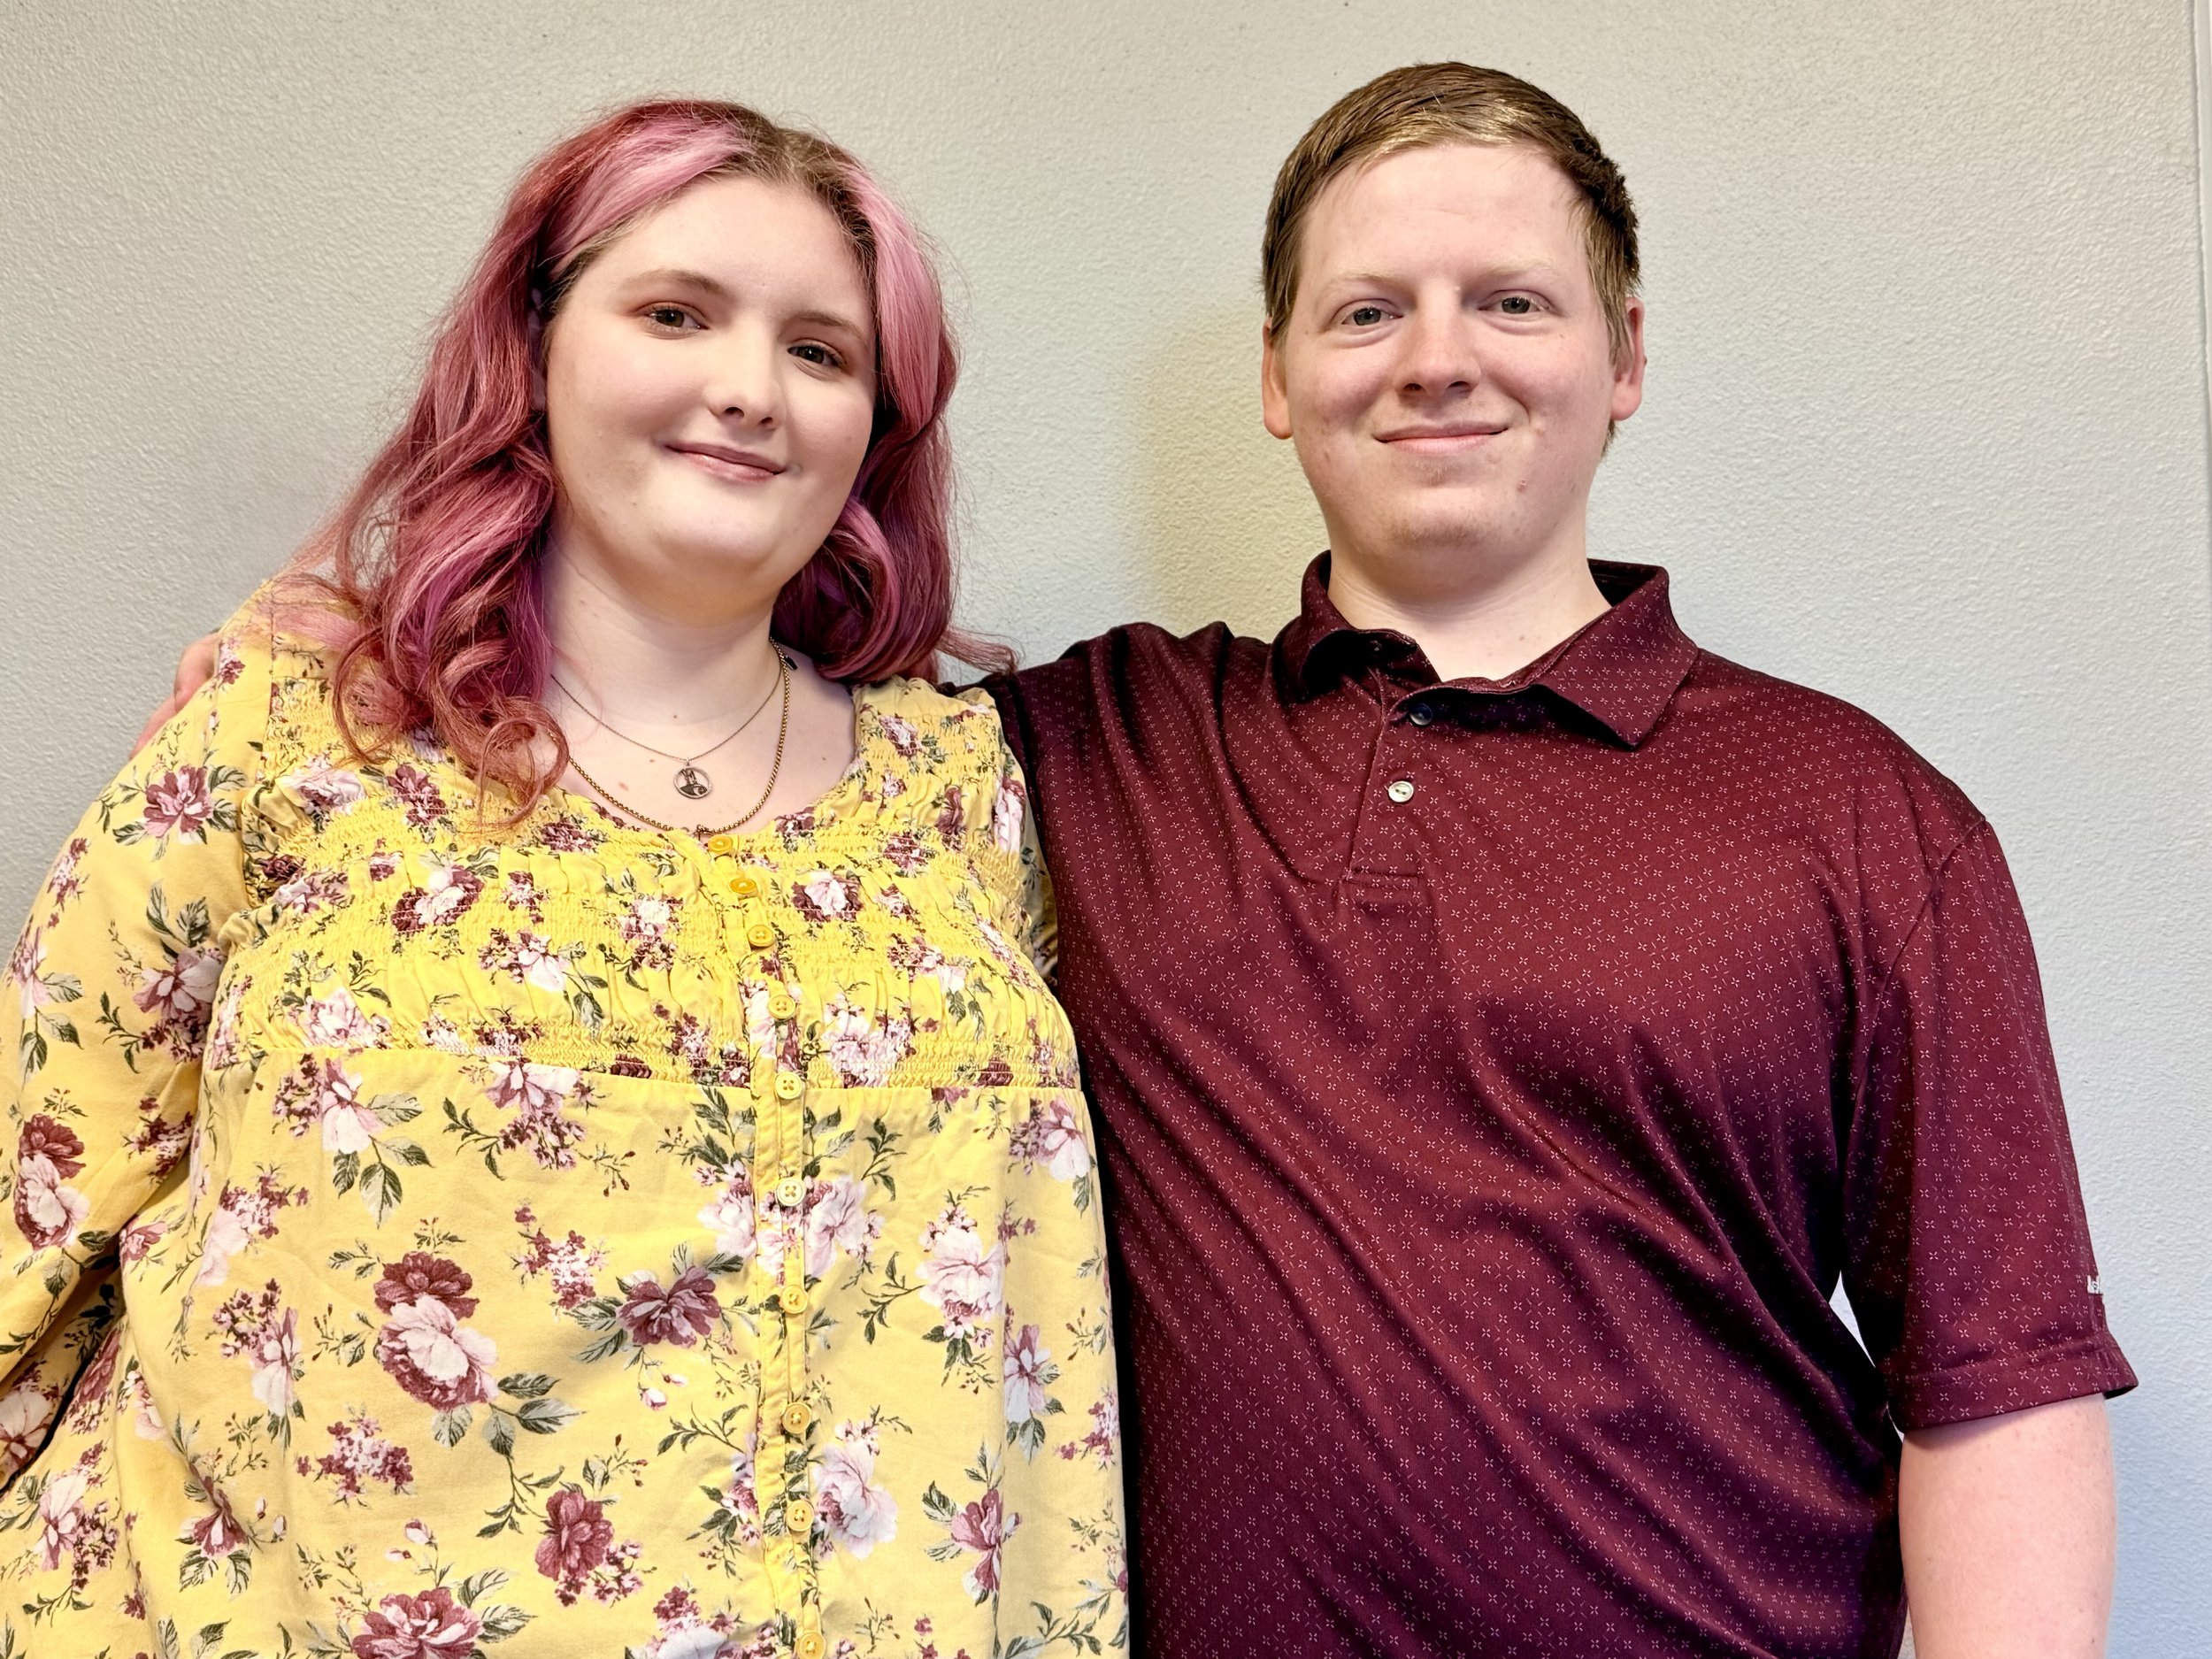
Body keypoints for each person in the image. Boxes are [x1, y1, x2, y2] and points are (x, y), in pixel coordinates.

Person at [134, 63, 2135, 1659]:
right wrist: (396, 663)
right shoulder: (1052, 755)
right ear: (1278, 380)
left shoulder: (1856, 813)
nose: (1435, 357)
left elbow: (1997, 1392)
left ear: (1620, 358)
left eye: (1509, 302)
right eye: (1367, 310)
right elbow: (679, 741)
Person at [0, 100, 1125, 1659]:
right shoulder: (294, 729)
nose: (748, 390)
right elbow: (37, 1197)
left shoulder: (960, 794)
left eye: (822, 351)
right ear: (536, 346)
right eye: (676, 313)